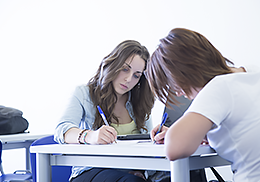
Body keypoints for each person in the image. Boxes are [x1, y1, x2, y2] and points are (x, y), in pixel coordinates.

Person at [146, 28, 260, 181]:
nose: (178, 93)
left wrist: (178, 133)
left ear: (183, 72)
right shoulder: (250, 73)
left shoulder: (217, 86)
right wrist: (200, 132)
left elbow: (174, 148)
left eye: (173, 85)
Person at [54, 40, 155, 182]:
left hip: (129, 172)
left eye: (136, 75)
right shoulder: (84, 93)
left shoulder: (139, 102)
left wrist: (141, 171)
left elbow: (148, 143)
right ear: (113, 64)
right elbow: (61, 130)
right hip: (91, 170)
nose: (128, 79)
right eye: (125, 69)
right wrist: (90, 136)